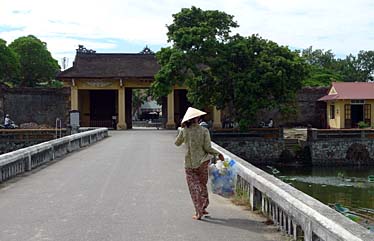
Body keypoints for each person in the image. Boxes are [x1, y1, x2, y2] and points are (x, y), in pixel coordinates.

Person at [175, 107, 224, 220]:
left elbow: (177, 143)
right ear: (197, 118)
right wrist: (218, 154)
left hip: (189, 164)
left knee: (194, 188)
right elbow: (208, 148)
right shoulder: (204, 131)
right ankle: (203, 206)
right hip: (202, 162)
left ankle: (198, 211)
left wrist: (182, 130)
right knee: (202, 185)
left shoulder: (184, 131)